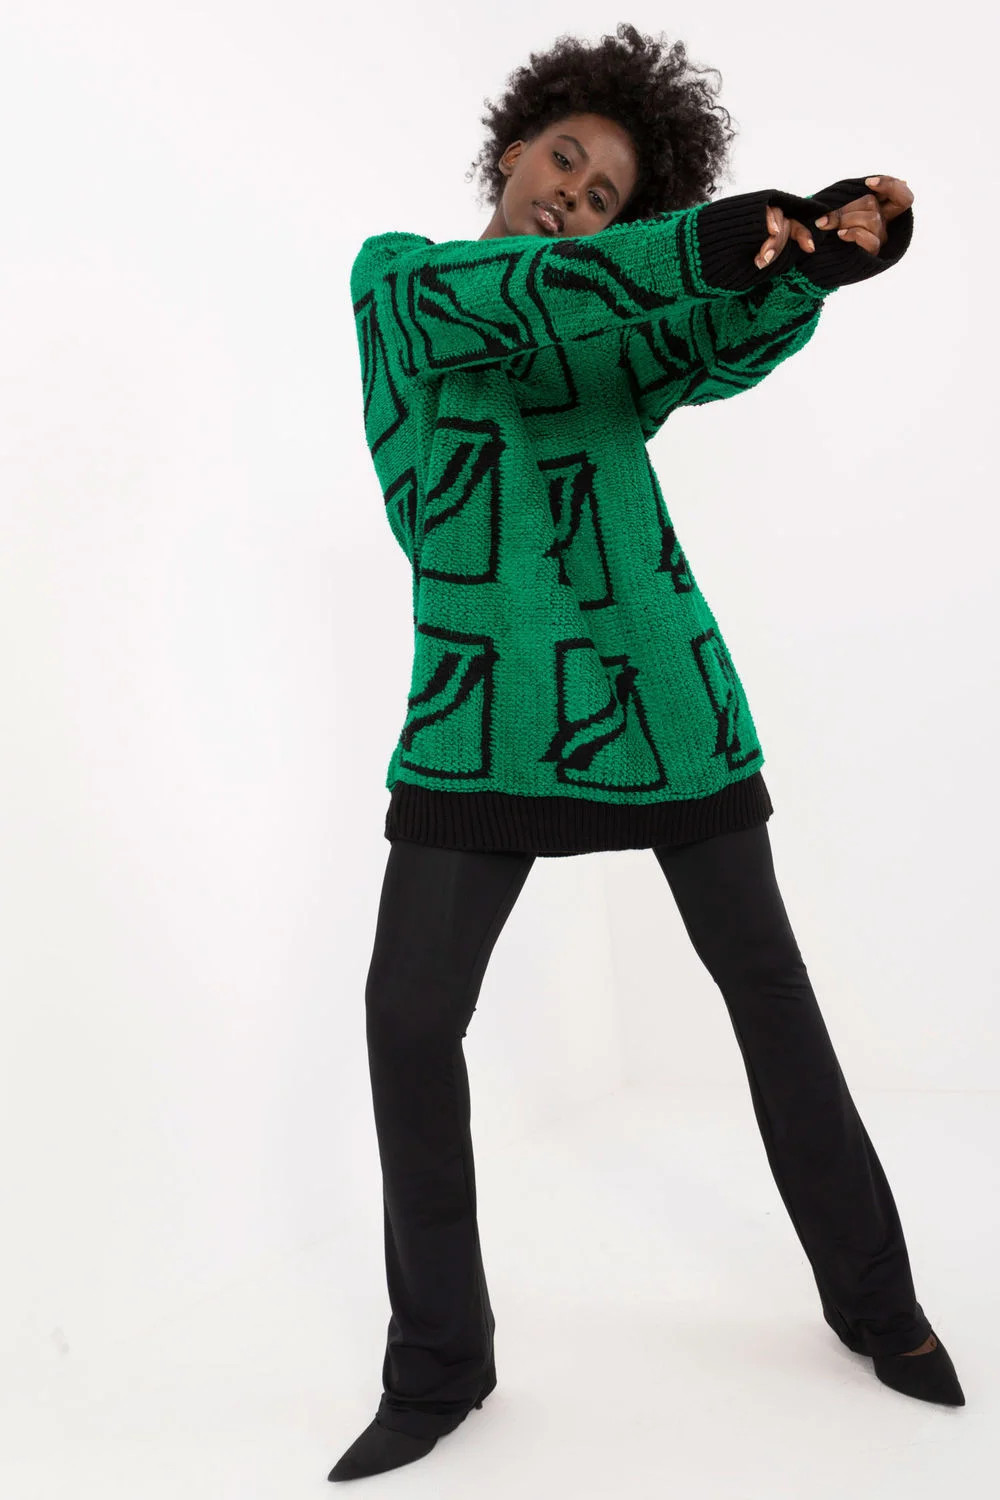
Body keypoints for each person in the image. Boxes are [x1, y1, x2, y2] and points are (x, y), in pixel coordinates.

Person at [331, 22, 963, 1484]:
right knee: (409, 1022)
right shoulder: (401, 284)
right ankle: (441, 1367)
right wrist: (711, 242)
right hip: (479, 715)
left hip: (662, 691)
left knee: (769, 996)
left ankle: (880, 1310)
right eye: (564, 160)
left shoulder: (615, 314)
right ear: (511, 149)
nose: (573, 194)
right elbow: (537, 296)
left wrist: (809, 260)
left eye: (607, 192)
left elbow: (701, 334)